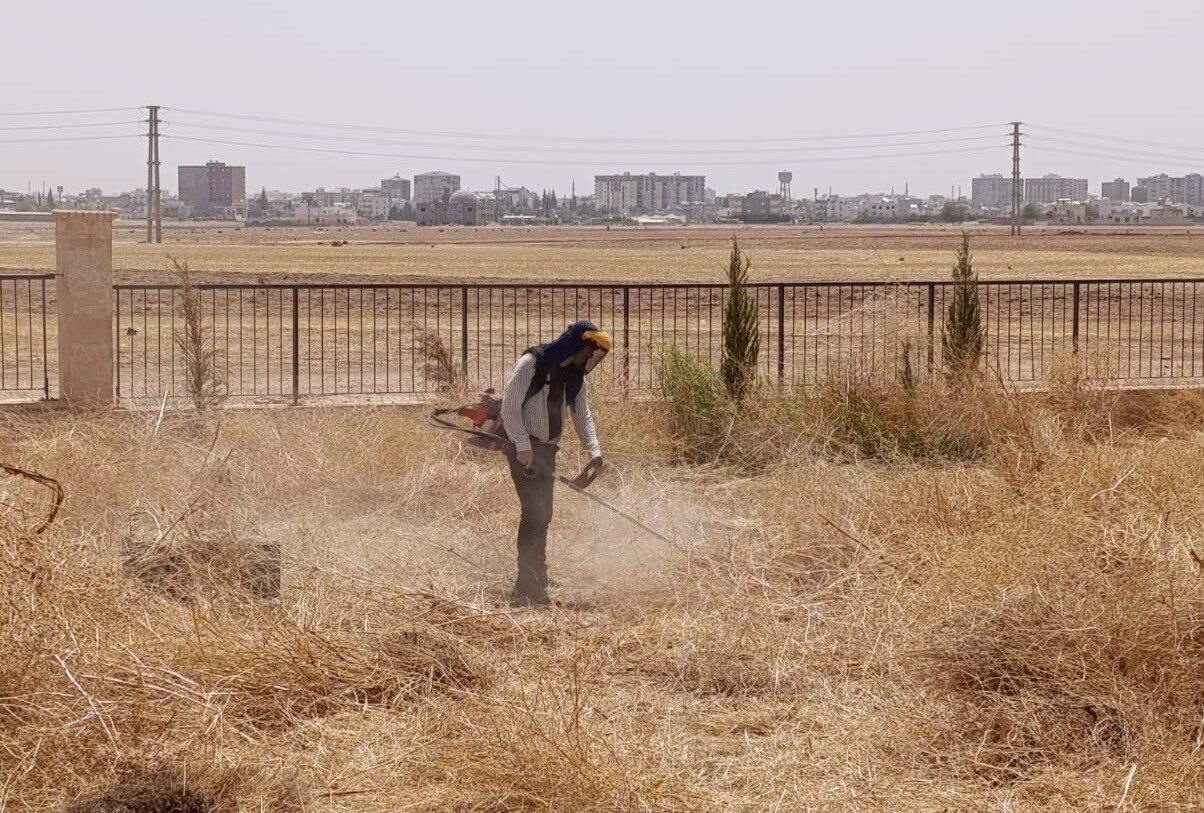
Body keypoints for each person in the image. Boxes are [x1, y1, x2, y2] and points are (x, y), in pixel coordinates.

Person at [499, 319, 610, 605]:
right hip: (523, 448)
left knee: (544, 513)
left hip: (547, 451)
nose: (591, 359)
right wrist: (522, 447)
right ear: (576, 345)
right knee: (533, 513)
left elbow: (582, 415)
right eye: (590, 352)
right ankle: (526, 588)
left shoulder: (574, 377)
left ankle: (539, 574)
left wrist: (594, 452)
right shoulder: (532, 364)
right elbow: (509, 407)